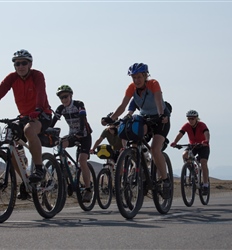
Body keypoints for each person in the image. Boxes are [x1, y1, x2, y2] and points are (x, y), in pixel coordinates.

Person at [101, 63, 171, 199]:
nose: (136, 80)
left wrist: (162, 114)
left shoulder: (154, 84)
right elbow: (123, 106)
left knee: (155, 150)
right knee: (134, 134)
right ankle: (140, 166)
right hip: (145, 118)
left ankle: (165, 180)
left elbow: (158, 101)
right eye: (133, 77)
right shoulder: (131, 88)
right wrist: (111, 118)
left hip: (160, 118)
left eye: (139, 77)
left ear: (145, 76)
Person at [0, 49, 52, 199]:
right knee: (9, 140)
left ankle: (39, 168)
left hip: (42, 114)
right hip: (23, 117)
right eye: (17, 63)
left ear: (30, 64)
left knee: (29, 130)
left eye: (24, 63)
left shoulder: (37, 75)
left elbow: (41, 92)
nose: (20, 66)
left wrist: (37, 109)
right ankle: (26, 181)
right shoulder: (12, 78)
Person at [50, 85, 93, 202]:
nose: (64, 100)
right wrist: (47, 131)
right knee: (60, 145)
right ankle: (64, 170)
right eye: (61, 98)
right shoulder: (60, 108)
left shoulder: (78, 104)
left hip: (84, 135)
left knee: (82, 160)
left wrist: (80, 130)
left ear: (71, 96)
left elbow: (82, 117)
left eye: (66, 97)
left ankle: (88, 189)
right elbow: (53, 122)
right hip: (72, 134)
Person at [170, 110, 210, 194]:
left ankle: (205, 184)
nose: (190, 120)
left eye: (192, 118)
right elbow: (180, 134)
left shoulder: (201, 125)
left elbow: (206, 132)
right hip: (193, 146)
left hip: (203, 146)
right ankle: (193, 169)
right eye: (189, 119)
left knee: (203, 163)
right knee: (185, 155)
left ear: (196, 118)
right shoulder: (187, 126)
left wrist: (206, 141)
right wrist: (175, 142)